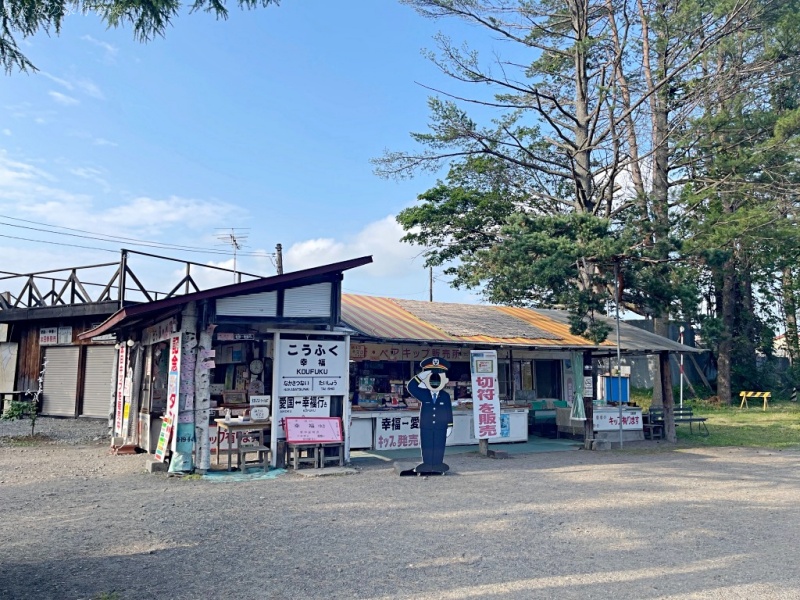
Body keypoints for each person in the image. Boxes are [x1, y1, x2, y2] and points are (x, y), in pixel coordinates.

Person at [404, 357, 453, 475]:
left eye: (437, 379)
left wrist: (449, 425)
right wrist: (421, 376)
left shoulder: (445, 396)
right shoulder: (424, 394)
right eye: (431, 379)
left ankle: (437, 464)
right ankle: (427, 463)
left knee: (439, 444)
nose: (434, 382)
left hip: (441, 426)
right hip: (426, 425)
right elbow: (411, 387)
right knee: (427, 444)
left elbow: (448, 410)